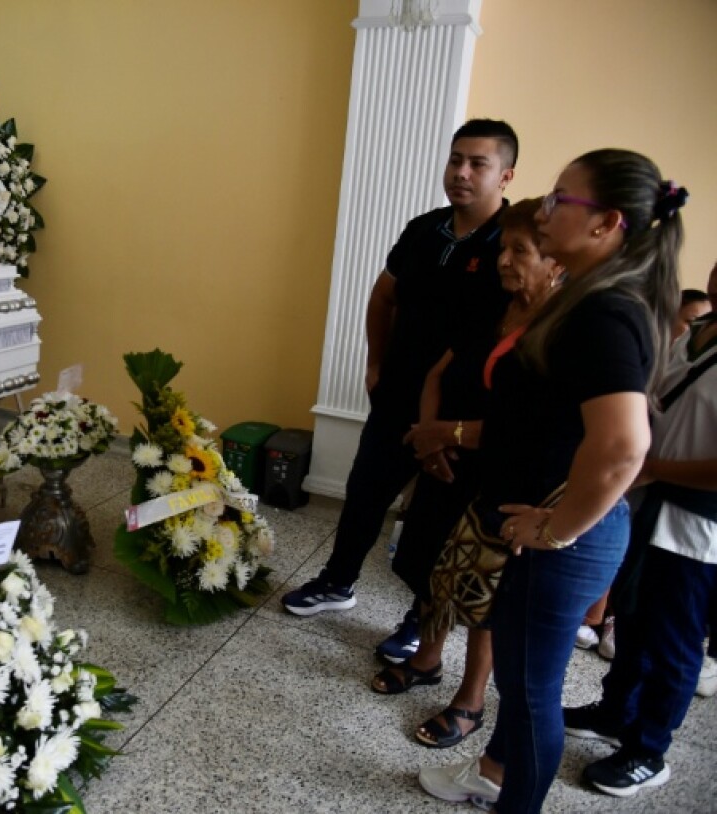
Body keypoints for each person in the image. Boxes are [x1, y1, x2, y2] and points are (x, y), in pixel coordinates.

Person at [418, 150, 684, 814]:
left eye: (562, 199)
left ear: (607, 224)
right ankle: (494, 772)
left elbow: (624, 446)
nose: (545, 210)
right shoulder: (590, 300)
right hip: (550, 526)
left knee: (532, 690)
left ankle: (516, 802)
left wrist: (555, 528)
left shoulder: (605, 313)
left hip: (563, 534)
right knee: (521, 679)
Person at [282, 119, 518, 626]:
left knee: (437, 519)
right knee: (365, 491)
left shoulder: (511, 243)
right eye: (456, 159)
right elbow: (384, 294)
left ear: (506, 176)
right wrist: (374, 362)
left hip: (460, 410)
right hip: (398, 391)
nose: (462, 172)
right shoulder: (423, 228)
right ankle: (337, 581)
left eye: (479, 163)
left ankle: (420, 619)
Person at [370, 199, 563, 754]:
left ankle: (470, 700)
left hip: (504, 474)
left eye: (519, 250)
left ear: (555, 261)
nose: (504, 260)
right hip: (448, 456)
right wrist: (431, 434)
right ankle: (427, 660)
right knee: (435, 566)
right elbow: (438, 371)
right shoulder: (493, 308)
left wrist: (446, 435)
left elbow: (526, 426)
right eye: (502, 247)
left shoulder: (558, 330)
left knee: (485, 594)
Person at [560, 252, 714, 800]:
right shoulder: (694, 331)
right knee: (630, 617)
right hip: (646, 504)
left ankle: (649, 750)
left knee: (673, 641)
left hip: (695, 528)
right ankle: (614, 710)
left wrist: (656, 469)